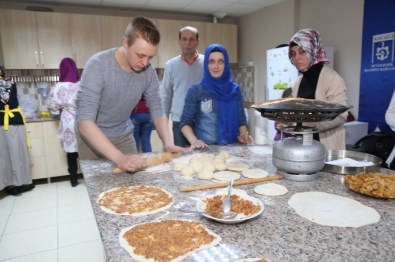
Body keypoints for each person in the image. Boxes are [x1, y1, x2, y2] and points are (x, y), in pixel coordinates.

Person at [76, 16, 185, 173]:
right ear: (125, 43)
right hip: (93, 140)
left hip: (123, 136)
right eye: (140, 55)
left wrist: (167, 142)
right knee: (101, 190)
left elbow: (156, 107)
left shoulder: (148, 72)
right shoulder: (98, 66)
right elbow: (85, 122)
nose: (145, 63)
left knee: (132, 188)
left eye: (150, 57)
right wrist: (119, 158)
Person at [180, 44, 253, 148]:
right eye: (211, 61)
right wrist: (194, 141)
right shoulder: (196, 90)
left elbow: (242, 121)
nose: (216, 66)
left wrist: (243, 135)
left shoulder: (235, 90)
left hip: (232, 148)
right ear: (206, 64)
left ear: (226, 64)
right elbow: (185, 123)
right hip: (205, 150)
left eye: (220, 61)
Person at [288, 28, 349, 150]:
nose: (297, 58)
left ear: (313, 50)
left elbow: (341, 116)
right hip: (303, 146)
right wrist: (288, 120)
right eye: (293, 54)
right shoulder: (298, 82)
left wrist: (311, 123)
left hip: (326, 148)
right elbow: (297, 111)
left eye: (302, 52)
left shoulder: (332, 79)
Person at [160, 26, 204, 147]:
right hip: (178, 121)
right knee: (182, 159)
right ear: (179, 41)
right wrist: (163, 121)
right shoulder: (170, 65)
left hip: (203, 120)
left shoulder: (207, 63)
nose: (187, 43)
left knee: (204, 157)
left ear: (198, 41)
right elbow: (165, 95)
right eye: (184, 39)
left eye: (191, 39)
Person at [0, 66, 35, 195]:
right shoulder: (10, 83)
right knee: (18, 153)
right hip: (15, 121)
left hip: (3, 122)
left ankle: (9, 184)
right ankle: (21, 183)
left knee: (4, 156)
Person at [48, 57, 81, 187]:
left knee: (71, 151)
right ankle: (88, 176)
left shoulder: (57, 87)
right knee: (84, 150)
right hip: (83, 120)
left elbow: (53, 108)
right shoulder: (81, 85)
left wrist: (60, 109)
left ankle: (73, 180)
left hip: (68, 120)